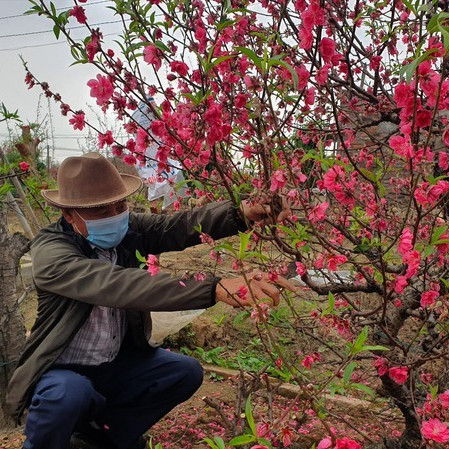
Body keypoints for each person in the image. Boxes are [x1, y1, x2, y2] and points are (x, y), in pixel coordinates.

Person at [6, 152, 293, 449]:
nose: (116, 215)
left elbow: (179, 226)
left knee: (183, 372)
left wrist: (241, 212)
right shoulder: (51, 253)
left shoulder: (129, 228)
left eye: (120, 205)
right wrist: (213, 288)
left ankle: (99, 439)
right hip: (63, 368)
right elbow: (117, 284)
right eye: (102, 211)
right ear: (69, 214)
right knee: (67, 394)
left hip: (116, 362)